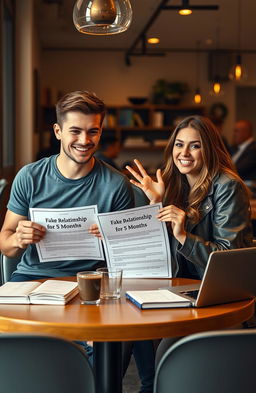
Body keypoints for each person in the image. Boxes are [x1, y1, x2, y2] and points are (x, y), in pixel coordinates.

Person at [0, 90, 152, 393]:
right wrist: (18, 237)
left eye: (93, 131)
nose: (85, 140)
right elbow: (4, 242)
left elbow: (126, 259)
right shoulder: (29, 177)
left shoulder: (115, 184)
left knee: (103, 357)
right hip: (33, 281)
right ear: (58, 131)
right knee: (15, 349)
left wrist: (113, 237)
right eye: (75, 131)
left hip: (92, 287)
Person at [126, 115, 253, 364]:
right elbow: (162, 252)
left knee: (164, 355)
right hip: (178, 291)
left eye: (195, 145)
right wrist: (156, 205)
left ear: (210, 149)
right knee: (125, 334)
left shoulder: (227, 186)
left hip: (214, 297)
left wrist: (184, 235)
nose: (184, 152)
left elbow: (228, 262)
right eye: (179, 144)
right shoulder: (174, 185)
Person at [231, 120, 256, 184]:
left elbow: (239, 170)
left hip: (247, 187)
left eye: (236, 131)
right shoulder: (235, 148)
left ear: (246, 132)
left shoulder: (254, 149)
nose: (233, 134)